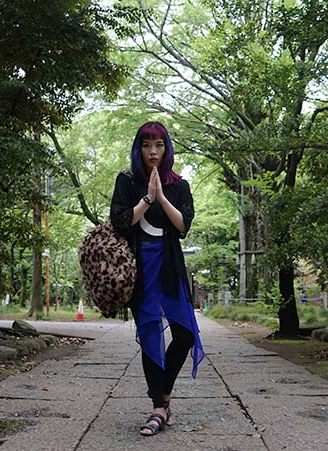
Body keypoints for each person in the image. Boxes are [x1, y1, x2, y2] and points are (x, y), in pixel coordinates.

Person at [110, 121, 205, 436]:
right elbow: (122, 222)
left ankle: (163, 396)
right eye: (147, 145)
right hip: (140, 270)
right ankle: (158, 408)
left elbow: (182, 226)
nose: (153, 152)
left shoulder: (180, 185)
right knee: (151, 335)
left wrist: (162, 197)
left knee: (185, 334)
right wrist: (146, 199)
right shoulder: (127, 181)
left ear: (167, 148)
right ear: (139, 148)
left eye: (159, 145)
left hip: (169, 268)